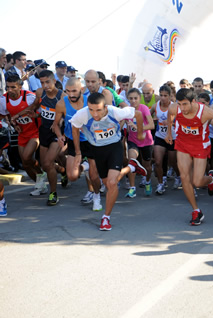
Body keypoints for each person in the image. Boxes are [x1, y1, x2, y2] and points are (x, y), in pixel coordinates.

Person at [70, 92, 147, 231]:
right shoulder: (82, 114)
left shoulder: (115, 112)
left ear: (105, 107)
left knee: (112, 183)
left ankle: (106, 218)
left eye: (98, 110)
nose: (95, 114)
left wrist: (140, 133)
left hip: (114, 148)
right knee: (106, 182)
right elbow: (74, 127)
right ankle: (131, 167)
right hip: (97, 150)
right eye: (91, 109)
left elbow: (139, 114)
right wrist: (77, 152)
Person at [165, 88, 213, 226]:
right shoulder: (175, 107)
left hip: (200, 145)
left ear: (194, 102)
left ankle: (211, 179)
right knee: (185, 177)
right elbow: (170, 114)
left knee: (198, 182)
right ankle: (196, 210)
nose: (182, 108)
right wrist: (169, 133)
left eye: (185, 104)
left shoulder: (205, 111)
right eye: (180, 104)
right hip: (182, 144)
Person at [52, 77, 103, 210]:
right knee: (72, 176)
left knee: (94, 175)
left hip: (91, 140)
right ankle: (85, 166)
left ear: (81, 89)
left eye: (74, 91)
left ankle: (96, 196)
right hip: (73, 141)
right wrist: (59, 136)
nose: (71, 95)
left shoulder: (90, 101)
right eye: (68, 91)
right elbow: (55, 124)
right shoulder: (61, 104)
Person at [22, 70, 66, 205]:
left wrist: (61, 124)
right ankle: (63, 171)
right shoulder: (40, 92)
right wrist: (34, 114)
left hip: (57, 133)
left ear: (54, 81)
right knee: (45, 165)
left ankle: (53, 194)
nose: (45, 85)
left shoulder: (62, 96)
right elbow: (36, 106)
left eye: (47, 82)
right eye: (42, 82)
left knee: (47, 163)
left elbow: (68, 117)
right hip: (44, 131)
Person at [0, 74, 46, 194]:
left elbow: (43, 110)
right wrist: (12, 122)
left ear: (20, 86)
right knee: (25, 163)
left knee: (26, 157)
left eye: (13, 87)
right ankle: (39, 183)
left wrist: (35, 115)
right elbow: (4, 114)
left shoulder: (30, 97)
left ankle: (41, 174)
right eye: (8, 87)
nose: (10, 90)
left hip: (35, 131)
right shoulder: (4, 100)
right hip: (22, 133)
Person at [151, 85, 180, 194]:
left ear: (170, 96)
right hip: (160, 136)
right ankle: (160, 183)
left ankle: (178, 176)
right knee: (158, 162)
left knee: (172, 161)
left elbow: (181, 121)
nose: (163, 98)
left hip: (173, 137)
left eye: (165, 96)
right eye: (161, 95)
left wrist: (170, 123)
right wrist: (153, 119)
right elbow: (147, 116)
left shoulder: (175, 107)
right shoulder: (155, 106)